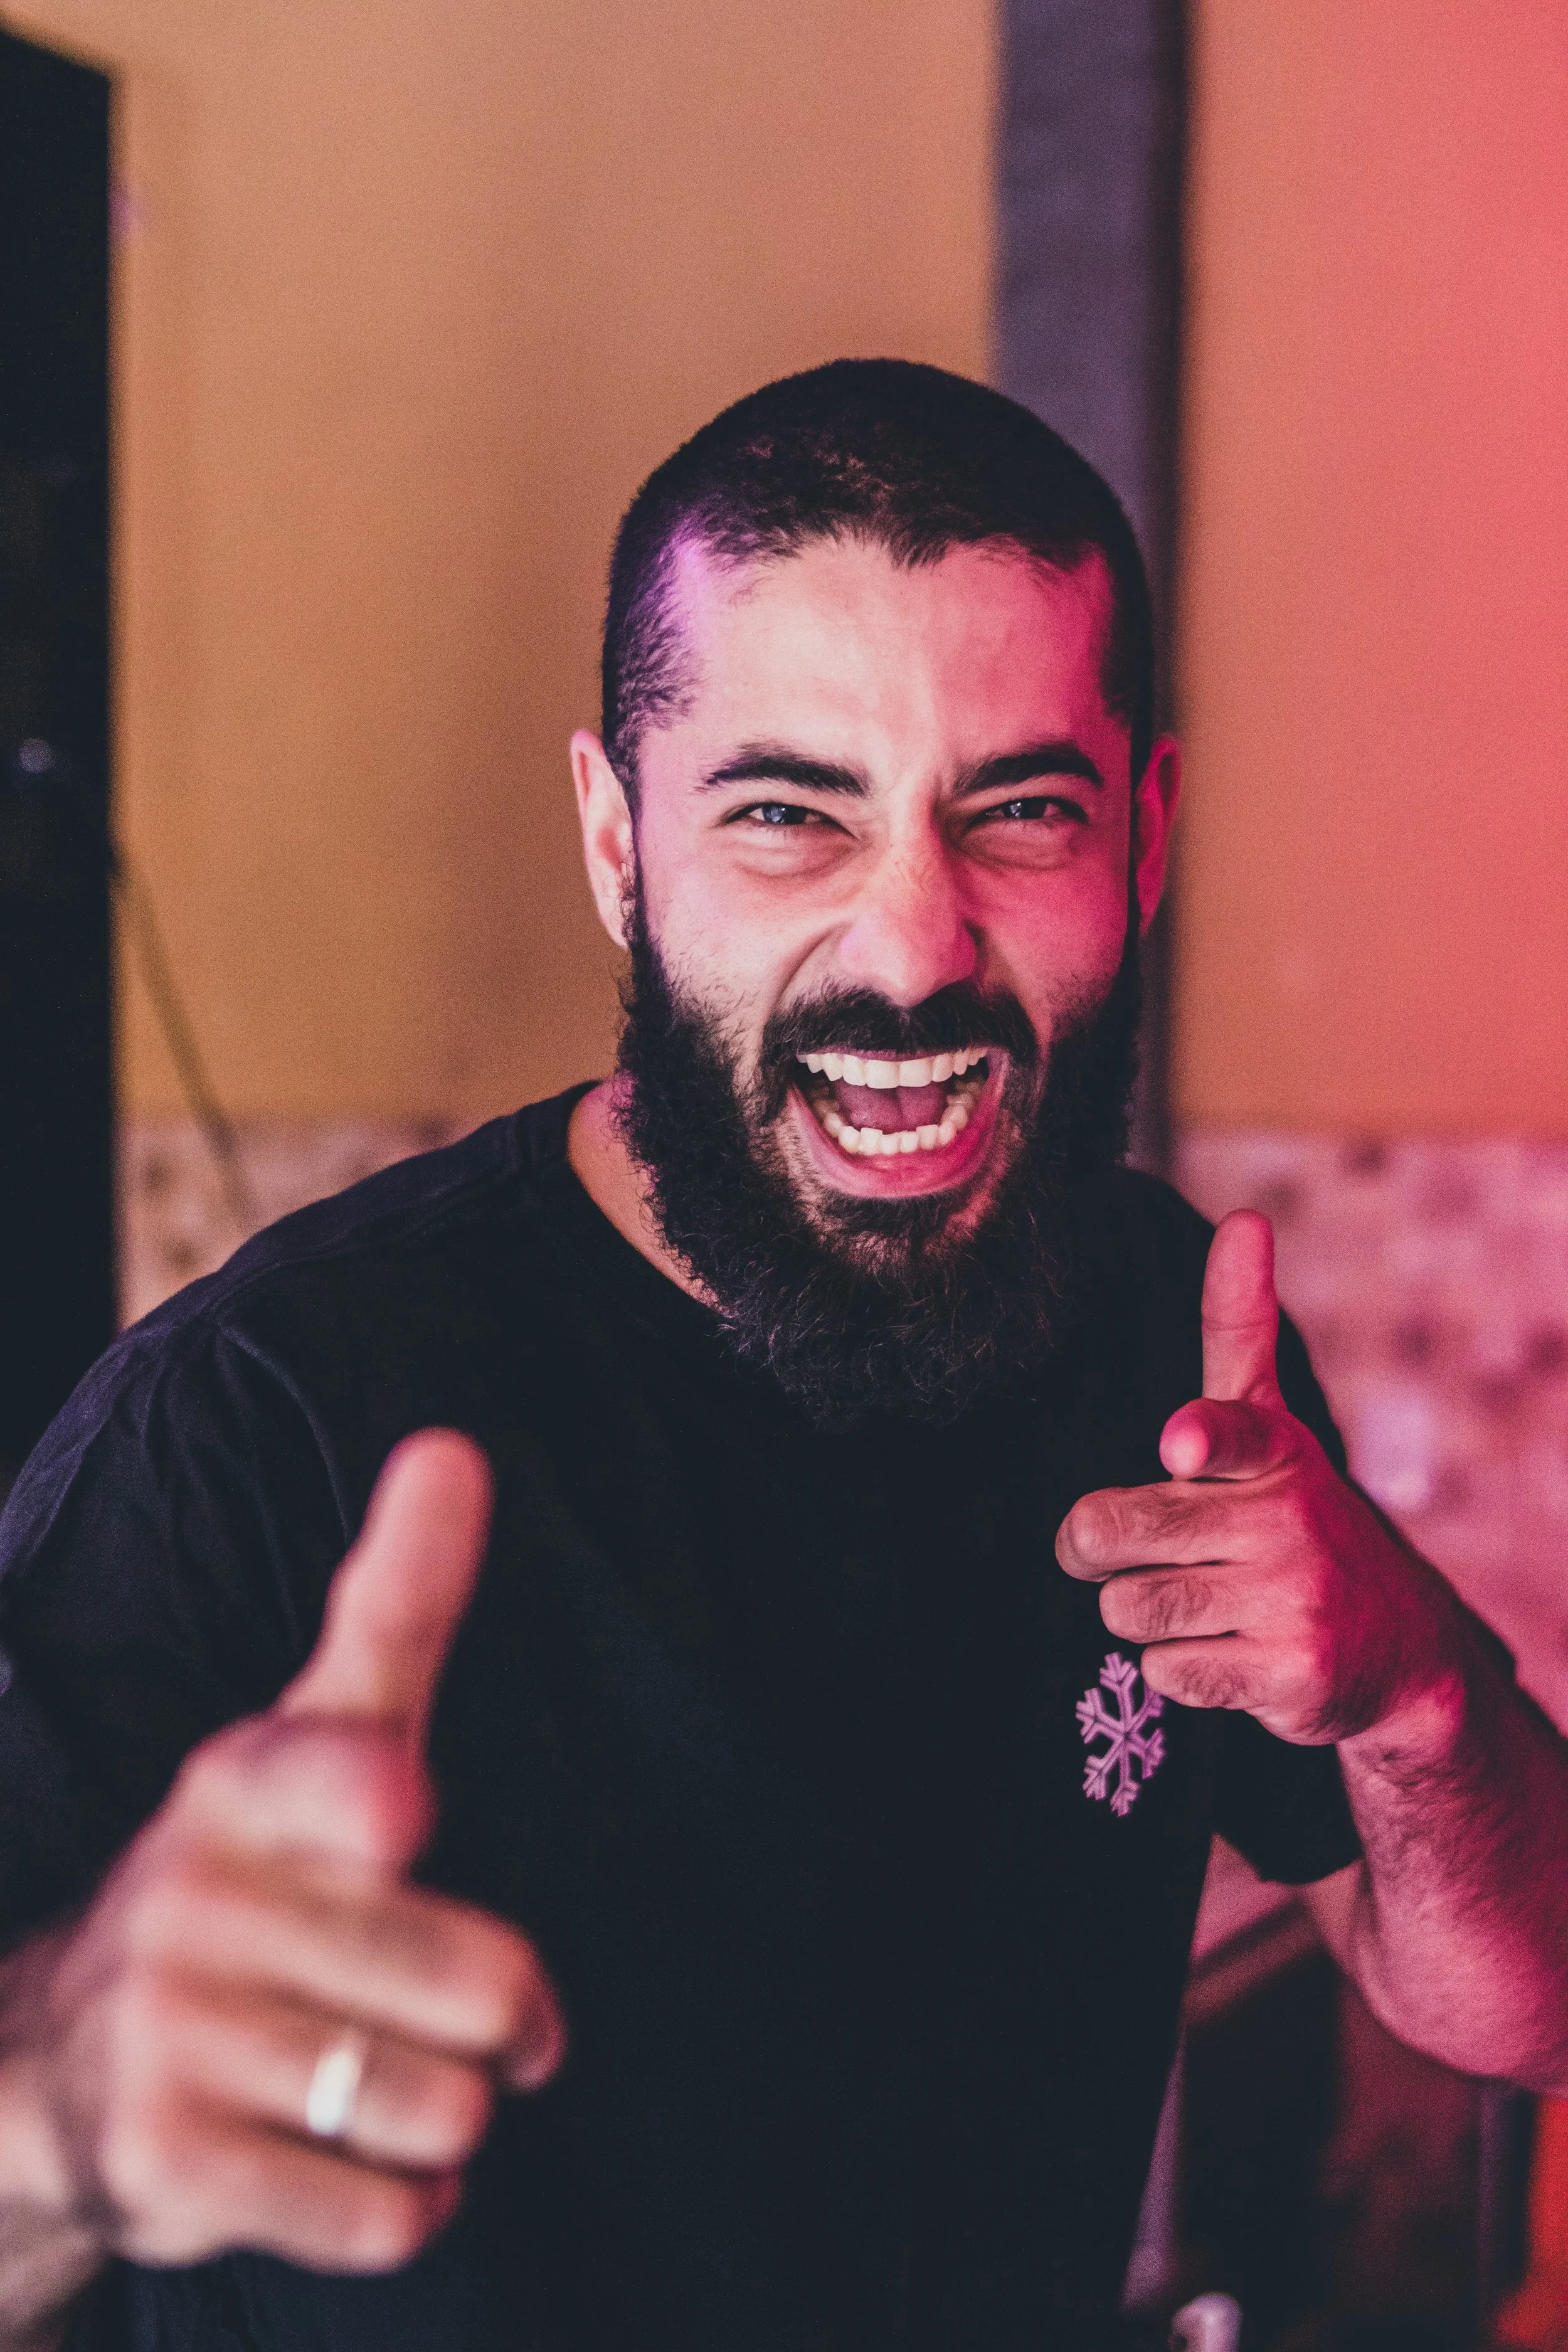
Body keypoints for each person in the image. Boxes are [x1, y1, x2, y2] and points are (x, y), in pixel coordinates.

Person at [0, 360, 1562, 2352]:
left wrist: (1412, 1688)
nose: (911, 948)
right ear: (617, 840)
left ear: (1144, 837)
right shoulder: (261, 1423)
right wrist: (58, 2101)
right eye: (782, 815)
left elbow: (1514, 2002)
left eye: (1017, 809)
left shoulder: (1162, 1342)